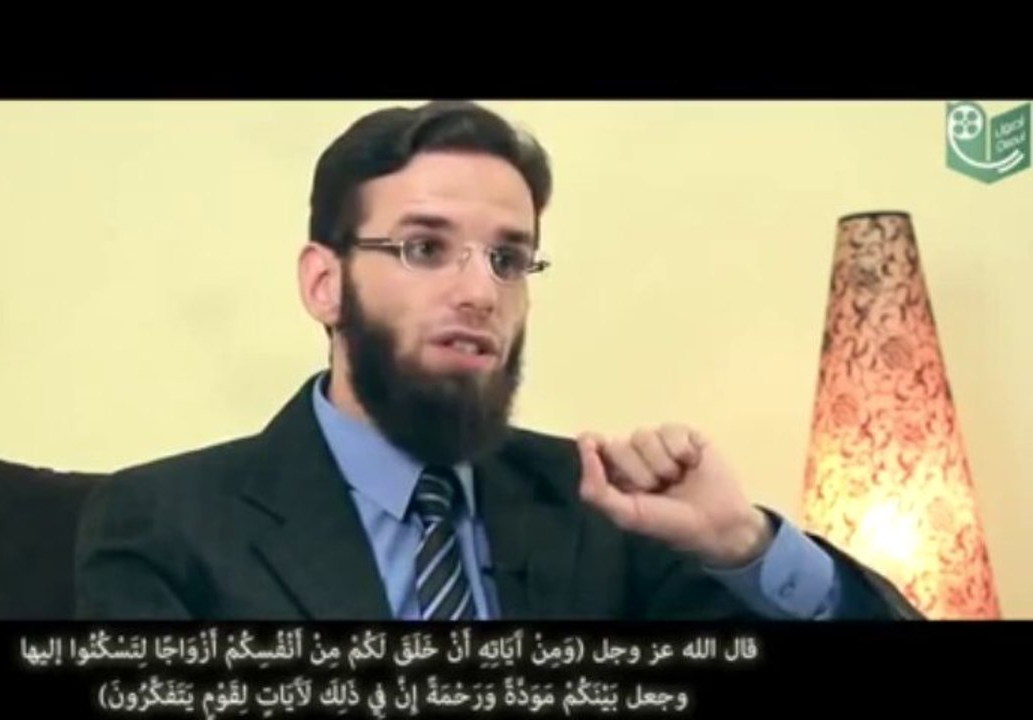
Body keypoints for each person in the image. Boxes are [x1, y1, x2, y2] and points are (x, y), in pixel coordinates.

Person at [74, 101, 922, 621]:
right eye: (423, 248)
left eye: (508, 259)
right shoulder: (166, 523)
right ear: (324, 284)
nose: (480, 291)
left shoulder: (600, 510)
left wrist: (740, 544)